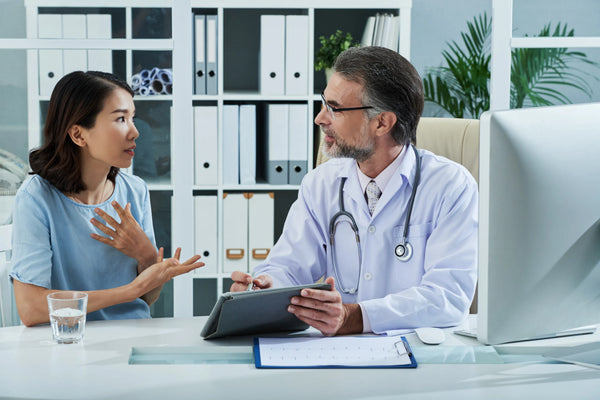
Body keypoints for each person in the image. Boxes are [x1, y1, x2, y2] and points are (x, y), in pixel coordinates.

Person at [230, 46, 478, 336]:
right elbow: (288, 266)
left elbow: (447, 297)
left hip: (419, 360)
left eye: (334, 108)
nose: (320, 118)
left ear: (382, 122)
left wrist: (355, 317)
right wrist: (263, 288)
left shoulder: (450, 186)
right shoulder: (320, 184)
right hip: (338, 358)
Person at [10, 71, 204, 327]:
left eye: (132, 117)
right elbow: (31, 309)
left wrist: (146, 255)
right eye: (121, 119)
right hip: (69, 343)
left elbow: (147, 299)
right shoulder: (36, 198)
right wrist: (129, 291)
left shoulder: (135, 190)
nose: (135, 132)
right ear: (79, 135)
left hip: (132, 336)